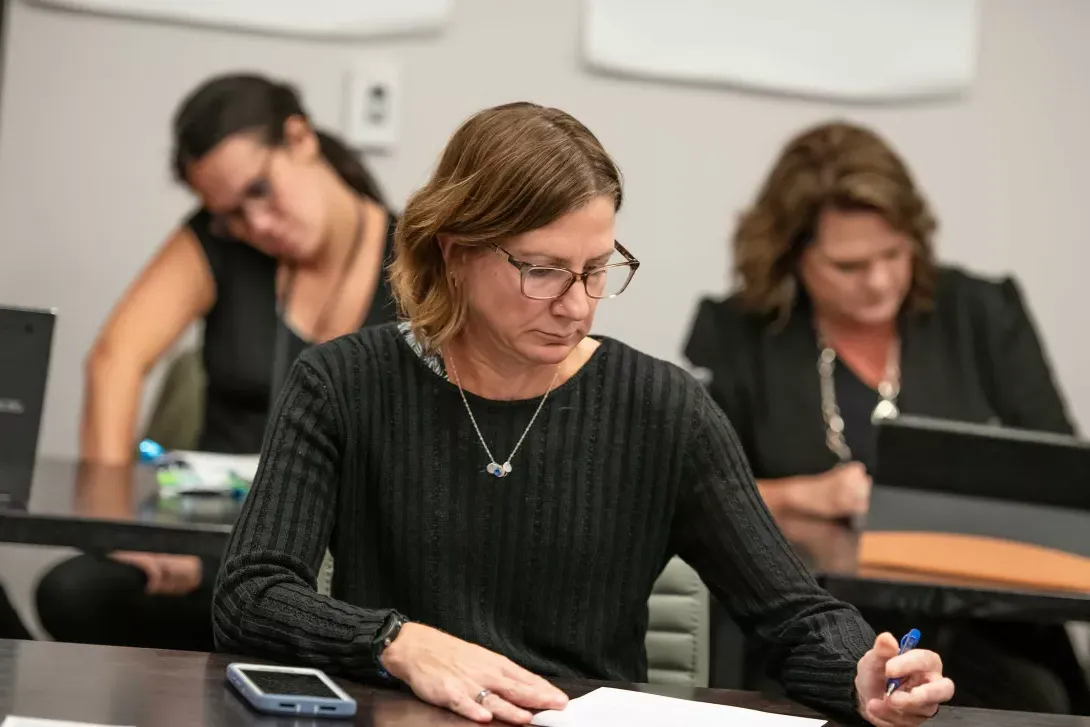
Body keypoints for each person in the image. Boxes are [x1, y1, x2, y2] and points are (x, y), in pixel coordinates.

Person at [213, 102, 952, 726]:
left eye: (598, 269)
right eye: (541, 270)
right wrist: (398, 642)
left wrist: (865, 671)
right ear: (455, 249)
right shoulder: (343, 383)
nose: (575, 304)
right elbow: (249, 595)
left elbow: (792, 612)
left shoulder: (660, 407)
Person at [683, 120, 1083, 713]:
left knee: (1037, 701)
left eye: (895, 254)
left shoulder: (979, 313)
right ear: (791, 258)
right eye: (849, 266)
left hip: (979, 624)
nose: (879, 281)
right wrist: (800, 496)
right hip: (803, 625)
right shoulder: (744, 335)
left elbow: (1063, 479)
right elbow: (694, 499)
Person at [35, 73, 399, 651]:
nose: (254, 226)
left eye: (260, 190)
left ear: (299, 138)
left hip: (339, 567)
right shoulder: (220, 242)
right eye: (229, 213)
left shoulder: (418, 261)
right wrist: (116, 526)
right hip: (213, 547)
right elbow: (114, 358)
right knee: (75, 592)